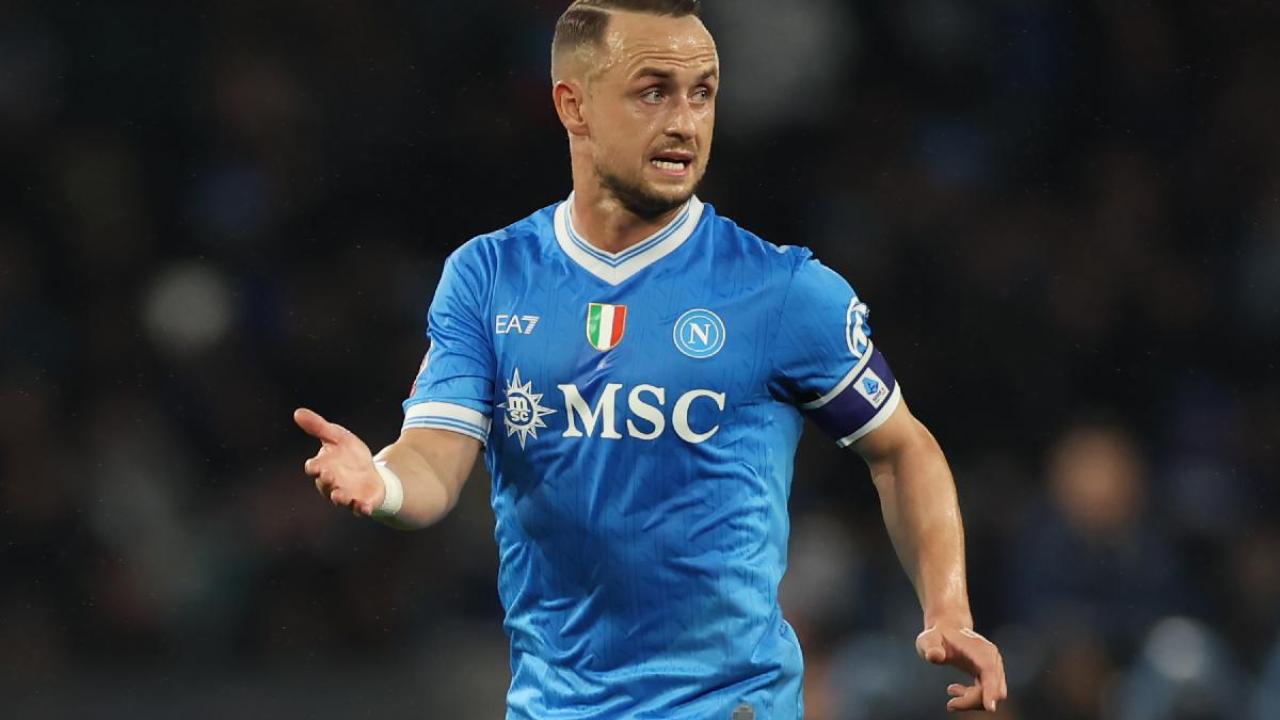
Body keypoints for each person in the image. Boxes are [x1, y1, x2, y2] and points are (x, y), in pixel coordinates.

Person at [294, 1, 1007, 717]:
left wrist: (948, 608)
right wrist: (383, 483)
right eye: (654, 92)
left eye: (702, 93)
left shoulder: (782, 290)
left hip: (729, 705)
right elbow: (432, 460)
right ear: (573, 106)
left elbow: (901, 449)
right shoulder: (489, 276)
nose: (685, 122)